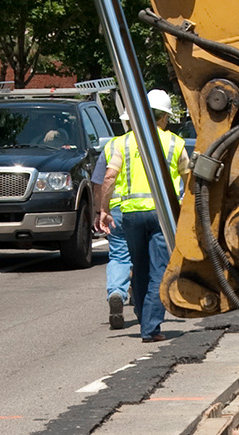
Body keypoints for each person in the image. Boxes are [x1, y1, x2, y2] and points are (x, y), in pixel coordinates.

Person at [95, 89, 190, 342]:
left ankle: (141, 314)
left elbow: (109, 177)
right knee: (160, 270)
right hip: (161, 215)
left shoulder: (124, 142)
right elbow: (190, 180)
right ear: (165, 117)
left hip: (130, 216)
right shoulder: (175, 143)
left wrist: (103, 209)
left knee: (139, 267)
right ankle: (150, 327)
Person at [92, 125, 130, 330]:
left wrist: (100, 211)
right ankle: (145, 306)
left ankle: (116, 292)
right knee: (146, 257)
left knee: (119, 256)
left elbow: (101, 181)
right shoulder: (160, 143)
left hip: (117, 211)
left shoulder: (114, 145)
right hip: (150, 210)